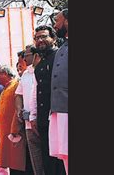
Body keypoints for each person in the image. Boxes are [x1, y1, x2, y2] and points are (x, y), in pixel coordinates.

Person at [33, 26, 65, 175]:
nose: (40, 40)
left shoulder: (60, 56)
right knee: (48, 156)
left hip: (59, 114)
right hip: (44, 118)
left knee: (61, 156)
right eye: (37, 38)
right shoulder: (38, 66)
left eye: (44, 36)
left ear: (53, 38)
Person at [15, 45, 45, 175]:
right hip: (28, 122)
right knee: (35, 157)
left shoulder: (43, 69)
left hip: (42, 119)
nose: (24, 59)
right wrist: (18, 109)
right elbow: (18, 94)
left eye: (26, 55)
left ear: (35, 55)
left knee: (48, 153)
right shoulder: (26, 74)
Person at [50, 9, 68, 174]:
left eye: (57, 20)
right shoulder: (62, 47)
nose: (55, 25)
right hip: (60, 110)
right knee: (65, 156)